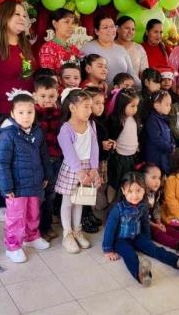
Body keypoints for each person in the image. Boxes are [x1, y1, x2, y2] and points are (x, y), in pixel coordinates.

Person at [0, 0, 39, 219]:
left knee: (23, 160)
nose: (22, 18)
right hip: (4, 113)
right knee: (6, 159)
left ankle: (17, 202)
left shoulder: (24, 46)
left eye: (24, 15)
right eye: (16, 15)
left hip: (27, 113)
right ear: (3, 18)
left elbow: (29, 79)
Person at [103, 172, 179, 287]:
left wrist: (147, 239)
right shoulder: (118, 209)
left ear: (144, 190)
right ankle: (141, 275)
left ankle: (178, 262)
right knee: (129, 254)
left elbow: (145, 222)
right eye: (130, 191)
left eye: (138, 191)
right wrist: (108, 250)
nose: (135, 195)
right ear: (123, 191)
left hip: (137, 236)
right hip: (120, 240)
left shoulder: (143, 205)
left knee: (154, 249)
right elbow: (109, 229)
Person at [0, 91, 52, 262]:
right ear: (12, 114)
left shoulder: (37, 131)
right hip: (16, 187)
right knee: (16, 217)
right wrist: (6, 187)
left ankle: (32, 237)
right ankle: (13, 247)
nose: (26, 116)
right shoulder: (8, 134)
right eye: (21, 112)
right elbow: (1, 162)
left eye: (30, 112)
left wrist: (46, 175)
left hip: (34, 182)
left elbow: (44, 155)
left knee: (33, 212)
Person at [56, 89, 100, 253]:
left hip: (88, 168)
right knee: (68, 202)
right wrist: (80, 172)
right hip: (74, 169)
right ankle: (67, 234)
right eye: (86, 107)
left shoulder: (91, 124)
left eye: (90, 107)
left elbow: (94, 147)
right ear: (73, 108)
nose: (90, 110)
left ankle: (77, 230)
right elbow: (69, 152)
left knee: (80, 201)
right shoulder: (66, 129)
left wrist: (94, 168)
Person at [142, 164, 179, 252]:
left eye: (159, 178)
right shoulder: (140, 195)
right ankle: (177, 245)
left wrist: (158, 221)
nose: (157, 181)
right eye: (153, 178)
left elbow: (156, 208)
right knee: (158, 233)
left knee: (167, 228)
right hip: (144, 225)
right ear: (143, 178)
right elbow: (142, 217)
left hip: (153, 221)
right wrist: (156, 225)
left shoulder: (155, 193)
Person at [32, 75, 62, 241]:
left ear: (57, 96)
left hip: (56, 158)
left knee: (51, 193)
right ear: (35, 95)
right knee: (39, 196)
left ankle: (47, 225)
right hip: (40, 161)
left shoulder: (59, 113)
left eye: (51, 96)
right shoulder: (33, 114)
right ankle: (35, 227)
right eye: (43, 96)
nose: (47, 100)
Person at [81, 14, 140, 87]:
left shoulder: (121, 49)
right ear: (96, 31)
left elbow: (131, 74)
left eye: (112, 26)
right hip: (97, 95)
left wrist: (144, 86)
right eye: (105, 27)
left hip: (121, 96)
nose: (110, 30)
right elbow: (81, 75)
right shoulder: (87, 48)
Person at [105, 88, 141, 196]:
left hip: (132, 156)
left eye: (136, 106)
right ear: (122, 105)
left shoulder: (134, 119)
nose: (135, 109)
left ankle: (124, 202)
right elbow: (111, 137)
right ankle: (111, 204)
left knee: (129, 182)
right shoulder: (116, 120)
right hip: (119, 158)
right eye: (132, 106)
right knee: (115, 183)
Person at [85, 86, 115, 216]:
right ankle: (87, 214)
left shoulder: (101, 120)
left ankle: (93, 212)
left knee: (99, 186)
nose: (101, 106)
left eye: (102, 103)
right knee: (89, 189)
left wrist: (110, 143)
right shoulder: (87, 122)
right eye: (97, 103)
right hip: (92, 163)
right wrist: (100, 144)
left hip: (101, 160)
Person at [38, 8, 81, 72]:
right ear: (55, 24)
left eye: (73, 23)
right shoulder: (47, 49)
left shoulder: (74, 49)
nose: (71, 26)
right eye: (66, 22)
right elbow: (48, 78)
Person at [143, 90, 174, 175]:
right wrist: (170, 147)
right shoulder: (152, 120)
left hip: (164, 154)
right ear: (156, 105)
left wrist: (172, 143)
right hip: (155, 155)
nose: (169, 107)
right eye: (167, 105)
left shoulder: (164, 118)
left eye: (170, 104)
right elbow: (156, 139)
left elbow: (169, 133)